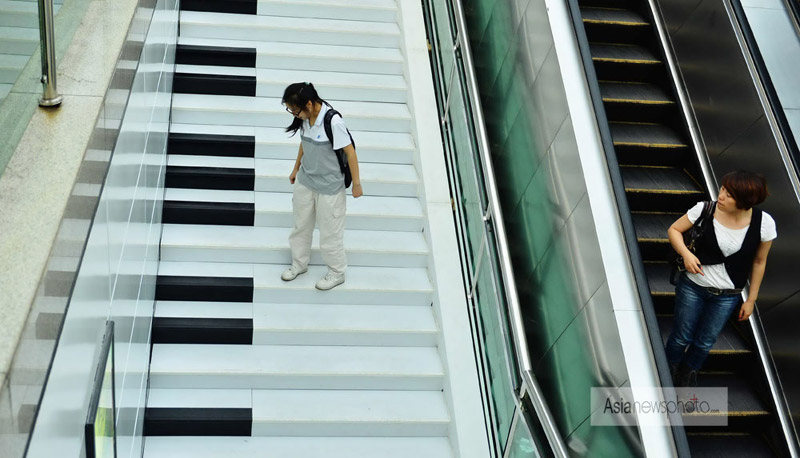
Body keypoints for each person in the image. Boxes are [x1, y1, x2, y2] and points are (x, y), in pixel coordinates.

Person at [664, 170, 776, 386]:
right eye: (723, 189)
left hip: (727, 295)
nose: (721, 196)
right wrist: (686, 254)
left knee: (705, 342)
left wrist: (751, 300)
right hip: (693, 287)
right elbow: (674, 229)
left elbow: (759, 262)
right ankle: (667, 370)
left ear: (745, 202)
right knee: (681, 337)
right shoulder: (705, 209)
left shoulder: (764, 223)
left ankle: (687, 374)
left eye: (730, 195)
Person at [279, 82, 363, 290]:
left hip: (329, 187)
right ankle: (299, 264)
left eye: (294, 109)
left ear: (308, 104)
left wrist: (357, 184)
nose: (293, 114)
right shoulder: (305, 119)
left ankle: (337, 272)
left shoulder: (332, 122)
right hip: (306, 181)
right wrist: (295, 168)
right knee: (301, 225)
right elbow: (304, 144)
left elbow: (350, 152)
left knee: (330, 233)